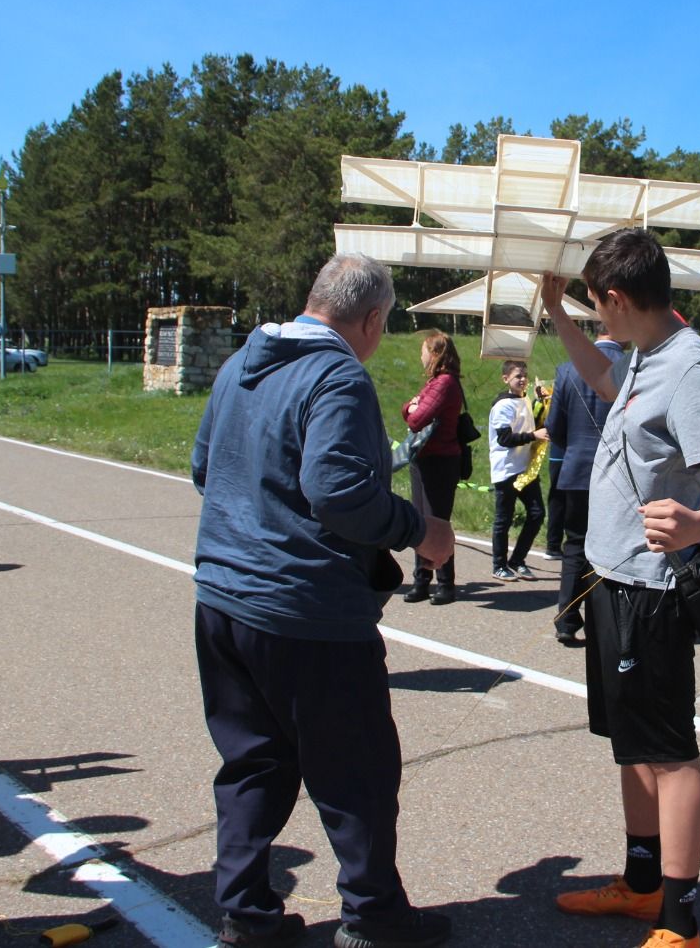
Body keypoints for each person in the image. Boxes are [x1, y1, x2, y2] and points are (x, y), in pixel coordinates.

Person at [191, 253, 455, 948]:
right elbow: (337, 492)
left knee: (252, 762)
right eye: (384, 324)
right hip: (306, 613)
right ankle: (373, 918)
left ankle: (246, 914)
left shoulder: (241, 365)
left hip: (222, 597)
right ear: (371, 319)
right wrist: (417, 530)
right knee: (357, 770)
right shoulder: (337, 374)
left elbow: (203, 467)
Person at [540, 229, 700, 948]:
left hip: (653, 592)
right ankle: (641, 886)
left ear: (621, 298)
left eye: (599, 310)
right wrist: (557, 314)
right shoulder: (641, 356)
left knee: (669, 752)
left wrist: (698, 522)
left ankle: (681, 922)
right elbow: (603, 383)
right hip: (611, 577)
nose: (600, 323)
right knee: (631, 745)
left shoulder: (691, 367)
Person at [543, 329, 624, 645]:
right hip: (618, 472)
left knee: (574, 544)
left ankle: (567, 617)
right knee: (613, 546)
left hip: (576, 469)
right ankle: (607, 620)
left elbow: (554, 428)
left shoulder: (567, 369)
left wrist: (574, 448)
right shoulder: (633, 364)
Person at [400, 331, 464, 605]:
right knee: (420, 519)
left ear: (435, 353)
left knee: (437, 521)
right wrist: (411, 407)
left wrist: (413, 408)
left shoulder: (444, 383)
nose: (421, 355)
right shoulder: (435, 382)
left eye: (424, 350)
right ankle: (422, 580)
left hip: (440, 461)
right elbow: (408, 410)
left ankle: (446, 583)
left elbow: (416, 419)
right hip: (424, 458)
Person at [487, 360, 548, 582]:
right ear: (506, 379)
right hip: (506, 469)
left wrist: (541, 401)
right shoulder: (503, 406)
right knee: (504, 519)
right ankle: (499, 564)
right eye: (517, 376)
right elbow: (504, 439)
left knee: (537, 513)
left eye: (524, 375)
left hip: (525, 468)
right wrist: (534, 436)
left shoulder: (523, 399)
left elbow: (530, 419)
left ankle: (517, 560)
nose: (522, 380)